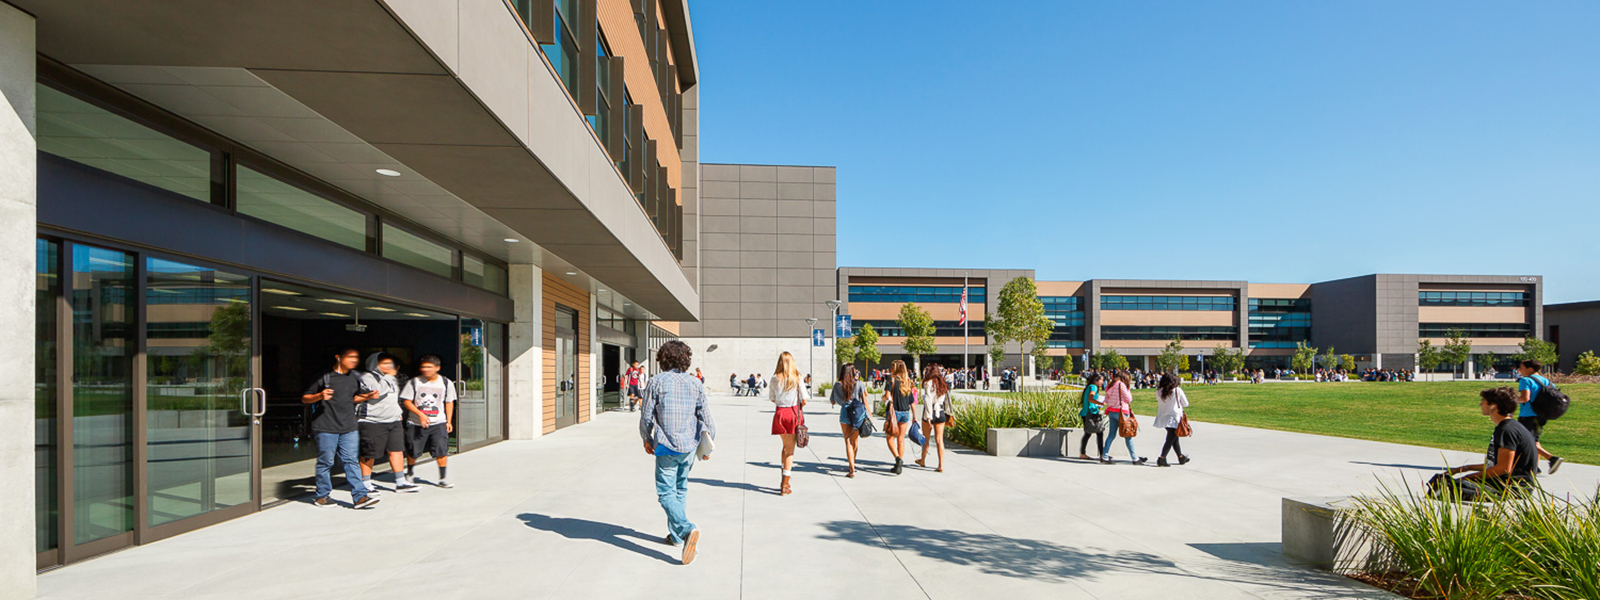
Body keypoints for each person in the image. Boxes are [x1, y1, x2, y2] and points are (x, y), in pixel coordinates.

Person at [638, 340, 716, 565]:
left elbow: (646, 416)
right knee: (680, 488)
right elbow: (707, 418)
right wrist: (709, 444)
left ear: (663, 359)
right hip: (689, 446)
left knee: (665, 492)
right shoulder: (696, 383)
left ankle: (685, 529)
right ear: (685, 360)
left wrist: (646, 438)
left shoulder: (655, 382)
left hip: (665, 445)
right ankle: (675, 537)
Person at [300, 349, 380, 509]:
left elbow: (353, 398)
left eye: (355, 358)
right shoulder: (324, 376)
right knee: (326, 462)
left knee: (351, 461)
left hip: (348, 427)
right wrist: (320, 396)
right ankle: (322, 496)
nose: (353, 360)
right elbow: (305, 398)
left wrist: (367, 397)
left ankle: (360, 497)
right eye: (350, 357)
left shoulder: (354, 377)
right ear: (338, 357)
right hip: (325, 427)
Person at [1428, 387, 1539, 502]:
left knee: (1444, 488)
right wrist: (1463, 469)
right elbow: (1493, 464)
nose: (1480, 405)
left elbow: (1503, 468)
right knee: (1440, 481)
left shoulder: (1507, 430)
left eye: (1483, 402)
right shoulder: (1507, 427)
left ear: (1494, 406)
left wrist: (1467, 478)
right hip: (1499, 483)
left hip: (1510, 490)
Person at [359, 353, 412, 494]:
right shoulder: (367, 377)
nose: (389, 366)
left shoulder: (392, 379)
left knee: (397, 450)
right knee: (369, 453)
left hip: (393, 421)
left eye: (390, 364)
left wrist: (398, 413)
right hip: (372, 421)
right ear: (374, 364)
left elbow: (393, 398)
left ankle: (400, 482)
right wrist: (388, 376)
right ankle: (365, 483)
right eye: (384, 364)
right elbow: (377, 392)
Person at [401, 355, 457, 488]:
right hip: (416, 423)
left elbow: (449, 403)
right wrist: (420, 414)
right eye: (423, 367)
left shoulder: (446, 383)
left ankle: (442, 478)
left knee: (441, 450)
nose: (425, 369)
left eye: (429, 367)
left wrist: (448, 421)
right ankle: (410, 474)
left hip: (438, 423)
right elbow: (406, 402)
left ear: (437, 368)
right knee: (413, 451)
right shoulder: (414, 382)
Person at [768, 352, 808, 495]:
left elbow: (772, 398)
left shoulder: (774, 378)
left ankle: (783, 478)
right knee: (790, 450)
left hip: (779, 414)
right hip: (792, 413)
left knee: (785, 447)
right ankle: (785, 484)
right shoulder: (797, 377)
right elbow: (804, 398)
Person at [1514, 360, 1564, 474]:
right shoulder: (1547, 381)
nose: (1519, 370)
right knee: (1534, 440)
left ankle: (1552, 458)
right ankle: (1535, 467)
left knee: (1526, 440)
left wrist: (1510, 401)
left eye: (1521, 367)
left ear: (1530, 369)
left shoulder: (1525, 380)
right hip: (1542, 415)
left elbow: (1525, 398)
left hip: (1528, 415)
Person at [1101, 372, 1146, 465]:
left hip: (1111, 411)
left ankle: (1104, 455)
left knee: (1111, 435)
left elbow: (1107, 398)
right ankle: (1135, 458)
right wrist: (1128, 389)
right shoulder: (1121, 385)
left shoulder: (1111, 384)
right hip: (1121, 412)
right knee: (1128, 435)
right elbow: (1129, 399)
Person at [831, 364, 868, 477]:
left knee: (847, 440)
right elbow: (865, 396)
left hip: (845, 411)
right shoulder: (858, 383)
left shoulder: (838, 384)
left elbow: (832, 400)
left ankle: (851, 468)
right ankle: (853, 463)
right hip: (857, 412)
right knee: (855, 440)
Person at [881, 360, 917, 475]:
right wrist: (914, 416)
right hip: (905, 413)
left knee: (890, 437)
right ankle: (898, 466)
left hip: (894, 413)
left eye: (892, 367)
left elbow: (887, 396)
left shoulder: (890, 379)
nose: (890, 369)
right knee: (900, 440)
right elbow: (912, 402)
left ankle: (898, 459)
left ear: (896, 368)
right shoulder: (907, 381)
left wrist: (883, 399)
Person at [916, 364, 954, 472]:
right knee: (939, 440)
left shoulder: (928, 383)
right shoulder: (943, 384)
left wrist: (928, 416)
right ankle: (940, 465)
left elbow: (928, 400)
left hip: (930, 412)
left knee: (926, 439)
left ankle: (922, 460)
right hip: (940, 412)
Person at [1153, 373, 1191, 467]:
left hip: (1163, 416)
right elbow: (1185, 403)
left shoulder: (1159, 391)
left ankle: (1180, 457)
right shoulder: (1177, 390)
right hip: (1174, 417)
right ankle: (1162, 458)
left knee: (1174, 438)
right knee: (1170, 439)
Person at [1078, 373, 1106, 460]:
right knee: (1099, 432)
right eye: (1101, 380)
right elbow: (1091, 398)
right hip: (1091, 413)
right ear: (1096, 380)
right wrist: (1100, 403)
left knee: (1088, 433)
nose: (1102, 382)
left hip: (1086, 412)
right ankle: (1102, 454)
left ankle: (1083, 453)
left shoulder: (1089, 386)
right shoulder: (1093, 387)